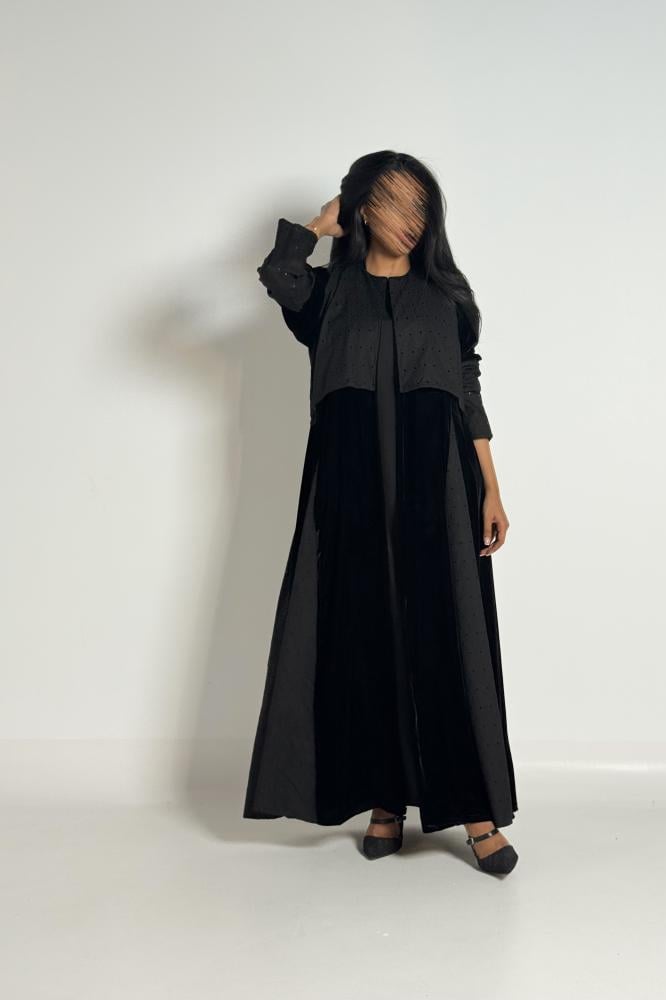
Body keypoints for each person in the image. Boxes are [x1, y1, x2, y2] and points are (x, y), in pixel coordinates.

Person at [243, 150, 518, 875]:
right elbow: (279, 275)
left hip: (438, 485)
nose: (410, 220)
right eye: (394, 202)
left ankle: (476, 812)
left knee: (443, 636)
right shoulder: (326, 295)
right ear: (363, 206)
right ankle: (385, 802)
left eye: (420, 206)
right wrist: (317, 225)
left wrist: (490, 488)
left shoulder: (444, 298)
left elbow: (467, 390)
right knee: (365, 637)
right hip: (353, 489)